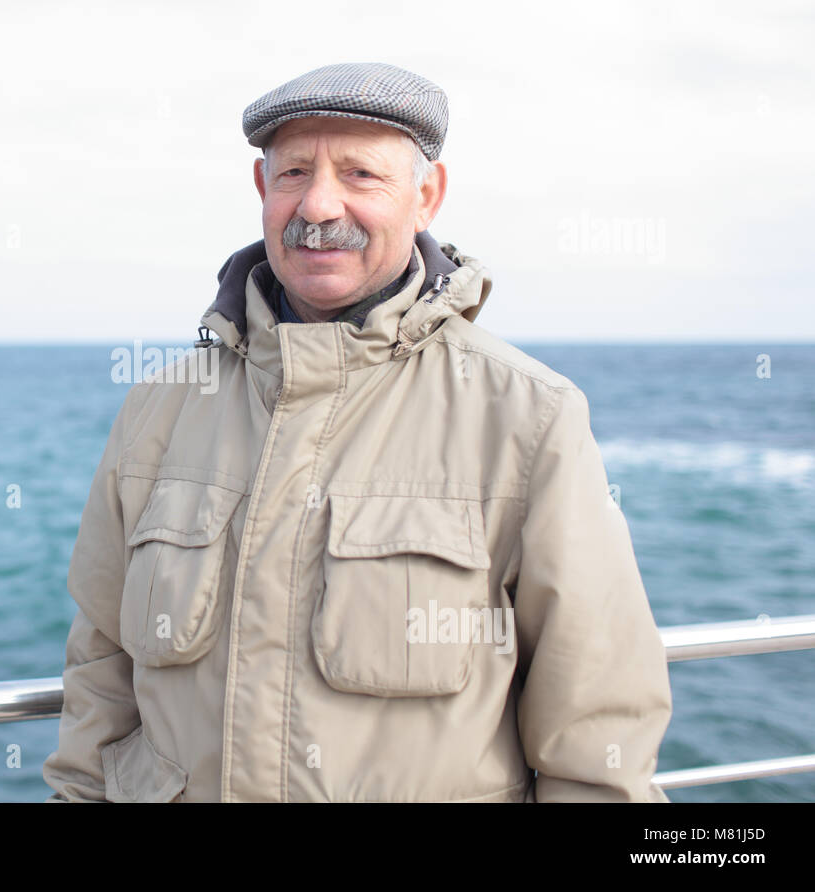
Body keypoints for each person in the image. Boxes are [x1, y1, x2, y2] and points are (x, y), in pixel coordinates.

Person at [42, 62, 673, 802]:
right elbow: (101, 673)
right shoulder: (160, 407)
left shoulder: (529, 416)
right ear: (261, 189)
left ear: (426, 197)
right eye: (295, 172)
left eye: (360, 174)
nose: (319, 205)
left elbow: (594, 734)